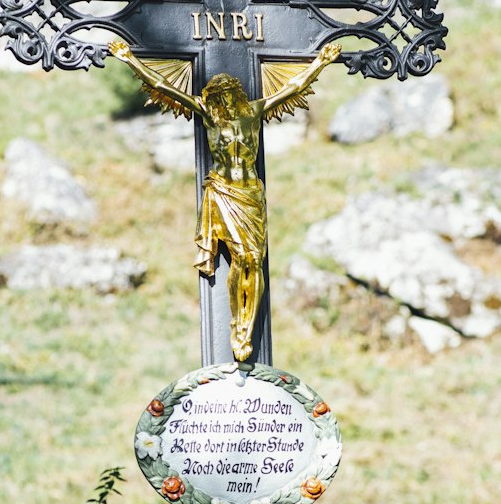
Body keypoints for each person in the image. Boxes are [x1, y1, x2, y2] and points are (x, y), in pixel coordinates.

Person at [109, 39, 339, 361]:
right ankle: (237, 322)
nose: (228, 102)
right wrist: (130, 58)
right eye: (222, 98)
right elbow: (162, 84)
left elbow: (292, 87)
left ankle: (248, 324)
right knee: (240, 257)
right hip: (225, 193)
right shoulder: (208, 115)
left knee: (254, 260)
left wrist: (321, 63)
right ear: (215, 99)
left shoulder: (254, 112)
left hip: (250, 195)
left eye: (231, 95)